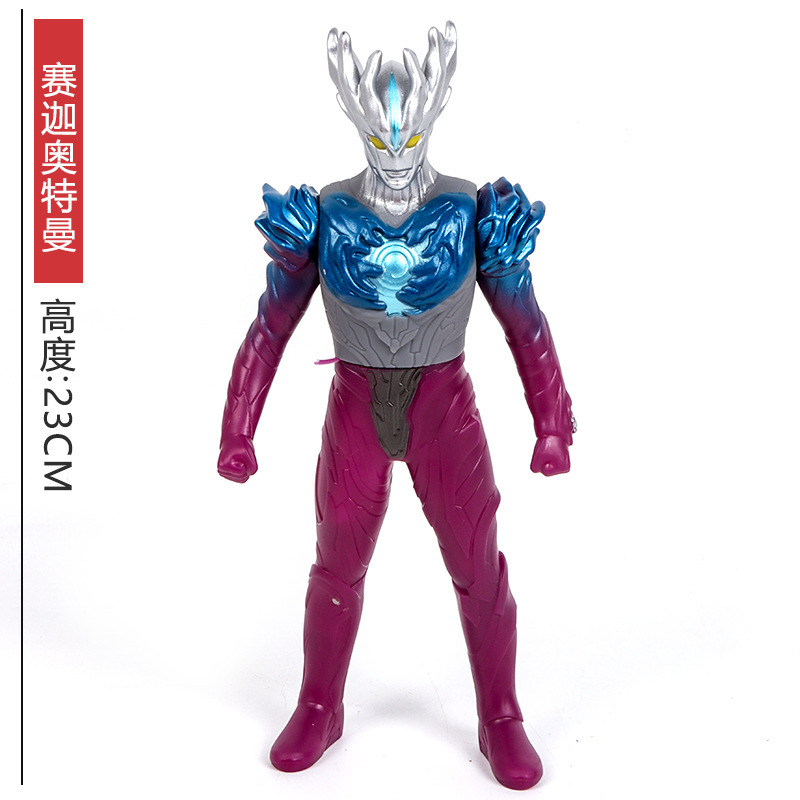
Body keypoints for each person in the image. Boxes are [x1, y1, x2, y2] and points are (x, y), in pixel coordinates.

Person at [218, 22, 574, 790]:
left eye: (406, 133)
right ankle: (320, 704)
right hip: (355, 406)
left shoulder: (471, 210)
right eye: (380, 133)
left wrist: (552, 424)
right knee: (337, 564)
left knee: (477, 564)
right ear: (356, 121)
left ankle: (501, 714)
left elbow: (525, 323)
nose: (394, 148)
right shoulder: (324, 212)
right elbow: (270, 326)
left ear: (432, 117)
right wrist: (237, 429)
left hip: (444, 408)